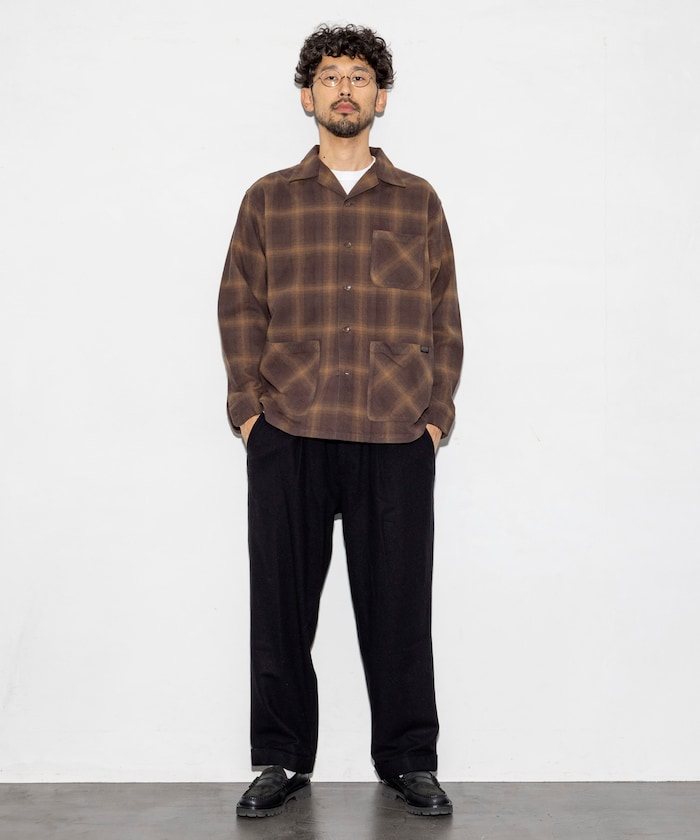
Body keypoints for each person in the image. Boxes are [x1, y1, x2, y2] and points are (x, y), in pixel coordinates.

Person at [217, 23, 463, 818]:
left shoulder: (417, 201)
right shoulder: (269, 199)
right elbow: (240, 307)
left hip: (394, 433)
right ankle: (282, 759)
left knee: (400, 607)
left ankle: (409, 760)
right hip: (289, 429)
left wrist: (435, 418)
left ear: (380, 98)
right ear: (307, 96)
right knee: (280, 606)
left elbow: (444, 317)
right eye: (330, 76)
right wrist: (249, 415)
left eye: (360, 76)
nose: (345, 89)